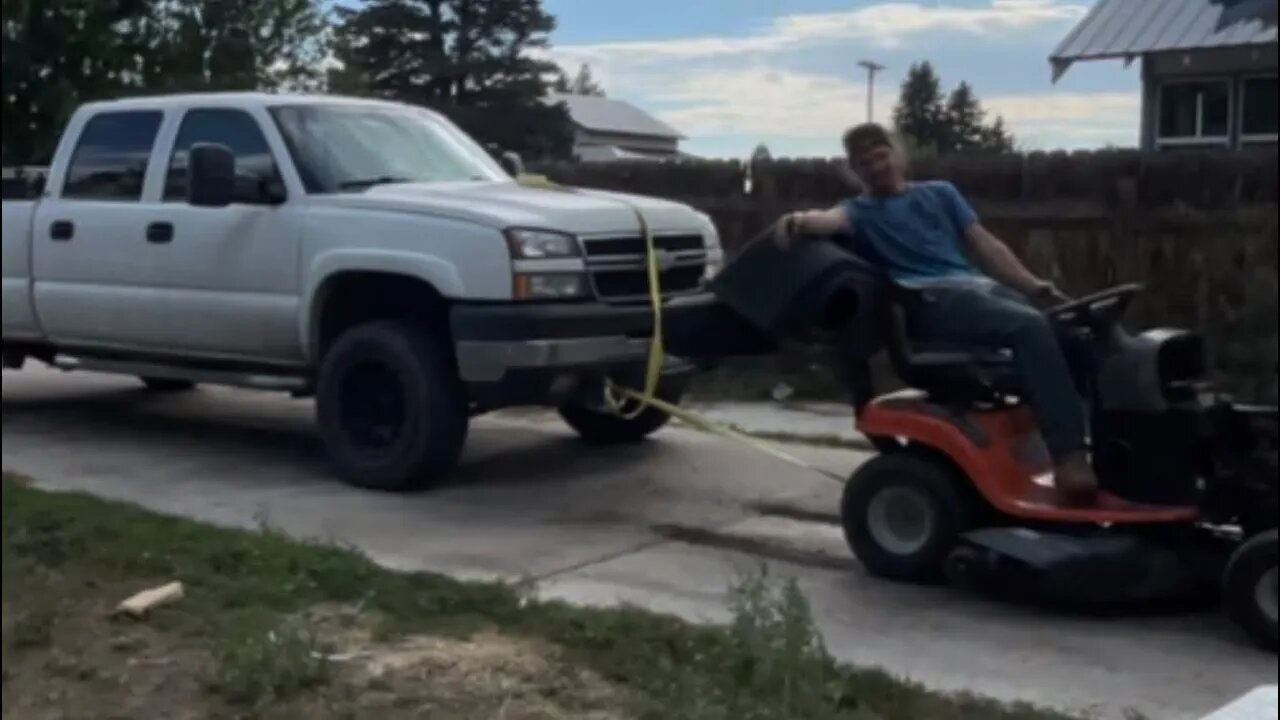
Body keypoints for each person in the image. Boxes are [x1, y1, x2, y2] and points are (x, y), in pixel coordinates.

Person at [774, 122, 1098, 502]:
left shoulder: (941, 194)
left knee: (1078, 332)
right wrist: (797, 221)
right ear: (854, 172)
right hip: (928, 299)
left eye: (881, 156)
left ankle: (1108, 448)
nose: (877, 167)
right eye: (865, 163)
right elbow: (828, 220)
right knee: (1027, 327)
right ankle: (1069, 458)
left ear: (898, 155)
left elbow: (985, 245)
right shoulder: (858, 211)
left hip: (980, 290)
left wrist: (1032, 286)